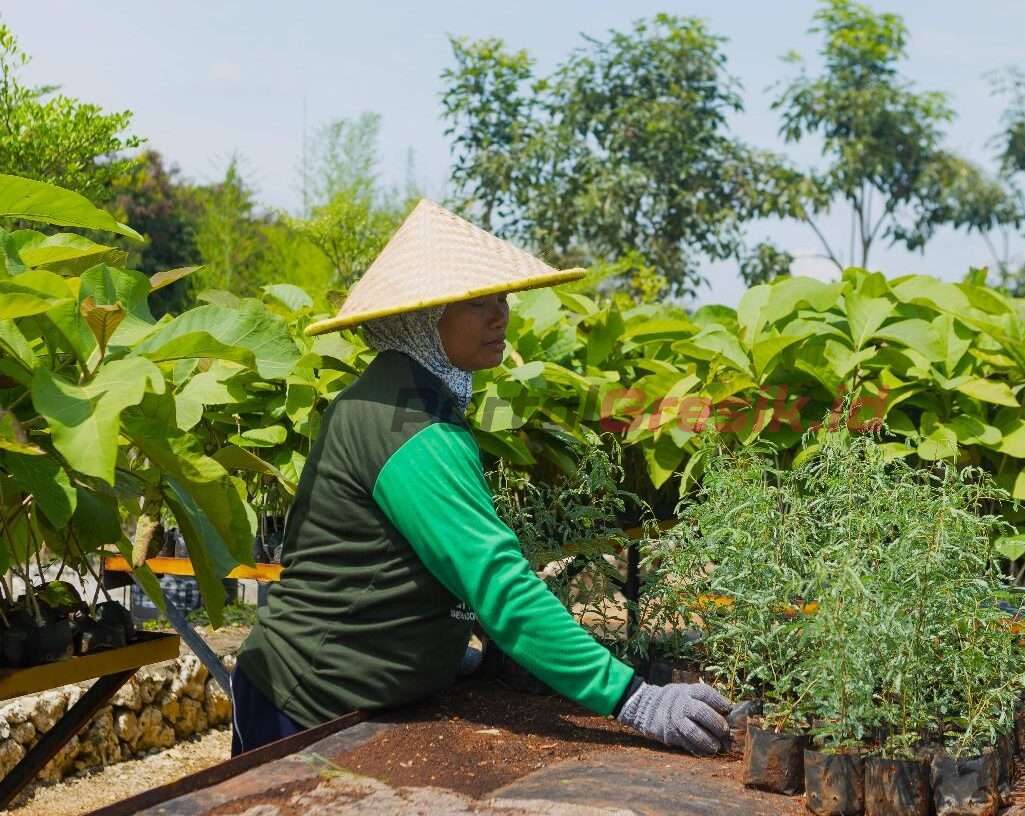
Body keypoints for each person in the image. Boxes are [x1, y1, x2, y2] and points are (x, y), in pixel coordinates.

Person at [232, 200, 730, 757]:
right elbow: (496, 581)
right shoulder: (410, 426)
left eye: (502, 297)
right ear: (421, 317)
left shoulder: (401, 395)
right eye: (478, 302)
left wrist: (441, 646)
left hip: (351, 699)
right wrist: (633, 698)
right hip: (307, 707)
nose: (502, 315)